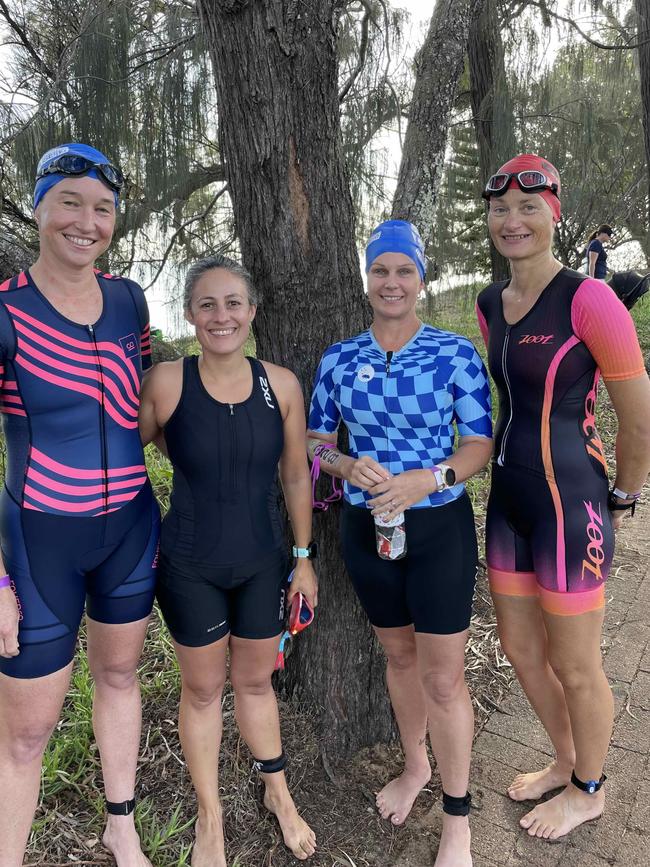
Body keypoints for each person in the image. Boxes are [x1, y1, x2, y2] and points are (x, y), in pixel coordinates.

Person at [307, 220, 493, 867]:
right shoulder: (339, 358)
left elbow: (478, 446)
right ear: (367, 279)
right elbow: (313, 442)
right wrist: (341, 464)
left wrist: (428, 478)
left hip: (439, 526)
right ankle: (415, 766)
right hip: (366, 527)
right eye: (380, 270)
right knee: (399, 655)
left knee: (444, 677)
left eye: (403, 271)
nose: (391, 282)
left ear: (421, 278)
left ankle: (458, 819)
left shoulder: (453, 354)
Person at [476, 154, 650, 840]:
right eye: (500, 209)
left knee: (578, 663)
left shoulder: (590, 299)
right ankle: (567, 758)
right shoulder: (491, 304)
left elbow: (636, 416)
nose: (512, 220)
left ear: (554, 214)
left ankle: (590, 789)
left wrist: (627, 494)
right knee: (521, 650)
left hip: (571, 504)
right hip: (508, 504)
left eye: (528, 208)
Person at [0, 143, 160, 867]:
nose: (86, 221)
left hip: (130, 529)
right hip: (39, 548)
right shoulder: (6, 312)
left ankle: (120, 821)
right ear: (38, 207)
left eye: (102, 208)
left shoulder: (129, 299)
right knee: (27, 734)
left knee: (121, 675)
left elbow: (149, 401)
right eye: (69, 201)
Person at [139, 255, 318, 866]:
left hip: (265, 560)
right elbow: (114, 453)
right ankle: (210, 817)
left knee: (254, 680)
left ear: (252, 311)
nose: (222, 316)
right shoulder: (166, 381)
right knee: (203, 689)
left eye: (233, 303)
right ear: (190, 314)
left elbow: (296, 476)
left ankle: (279, 794)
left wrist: (304, 558)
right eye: (208, 305)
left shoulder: (282, 383)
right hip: (188, 565)